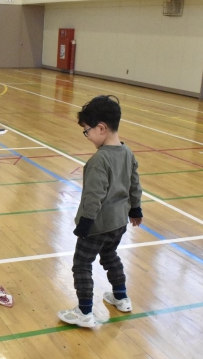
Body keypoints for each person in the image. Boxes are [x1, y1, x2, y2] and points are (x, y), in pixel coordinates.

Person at [57, 95, 143, 328]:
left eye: (87, 131)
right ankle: (121, 297)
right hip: (119, 222)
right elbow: (135, 184)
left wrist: (84, 225)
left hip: (97, 224)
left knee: (82, 264)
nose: (87, 136)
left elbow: (94, 196)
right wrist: (136, 209)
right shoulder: (127, 152)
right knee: (110, 255)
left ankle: (85, 311)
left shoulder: (99, 160)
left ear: (101, 128)